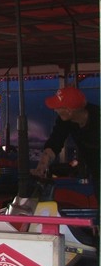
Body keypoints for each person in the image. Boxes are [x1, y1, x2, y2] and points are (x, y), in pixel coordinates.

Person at [9, 86, 100, 214]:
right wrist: (41, 168)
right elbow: (55, 142)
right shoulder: (66, 121)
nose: (55, 110)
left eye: (58, 107)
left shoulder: (97, 118)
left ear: (69, 111)